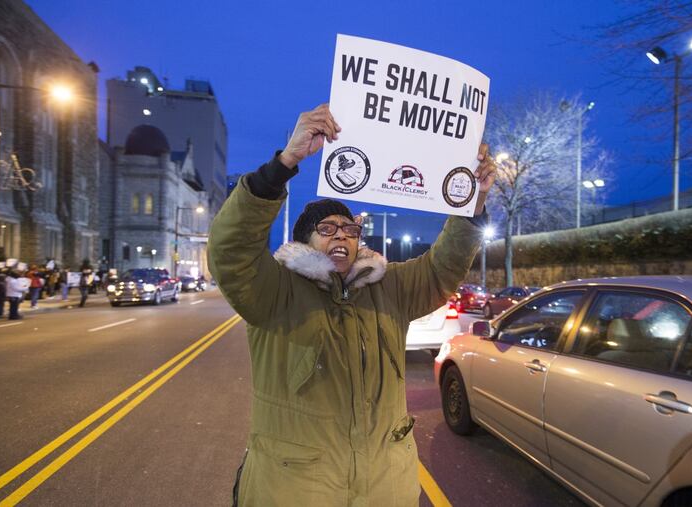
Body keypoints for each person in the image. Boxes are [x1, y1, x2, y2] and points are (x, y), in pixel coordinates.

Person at [207, 104, 497, 506]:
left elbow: (441, 268)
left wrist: (473, 203)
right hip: (295, 491)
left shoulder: (388, 287)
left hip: (385, 489)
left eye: (349, 229)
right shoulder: (273, 291)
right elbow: (231, 250)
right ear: (305, 242)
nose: (340, 236)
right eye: (326, 230)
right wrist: (285, 163)